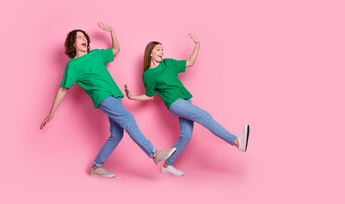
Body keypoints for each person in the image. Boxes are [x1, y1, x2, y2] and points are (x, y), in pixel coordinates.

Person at [40, 22, 176, 178]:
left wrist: (111, 31)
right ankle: (154, 154)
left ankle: (96, 167)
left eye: (84, 36)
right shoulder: (73, 65)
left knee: (117, 134)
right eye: (79, 37)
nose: (83, 38)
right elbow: (63, 89)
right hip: (103, 97)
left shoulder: (96, 54)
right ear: (72, 43)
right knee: (128, 118)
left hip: (115, 95)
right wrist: (51, 113)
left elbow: (116, 50)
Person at [124, 33, 250, 176]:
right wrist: (131, 96)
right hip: (174, 103)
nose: (161, 52)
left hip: (185, 99)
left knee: (186, 136)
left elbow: (190, 62)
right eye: (158, 49)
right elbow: (149, 95)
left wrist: (197, 45)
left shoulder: (169, 63)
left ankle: (167, 165)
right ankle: (236, 142)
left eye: (162, 49)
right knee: (204, 116)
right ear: (150, 52)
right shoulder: (148, 75)